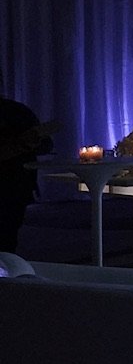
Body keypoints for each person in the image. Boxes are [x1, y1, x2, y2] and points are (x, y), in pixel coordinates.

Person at [0, 87, 54, 252]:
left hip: (14, 186)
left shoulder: (16, 112)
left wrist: (28, 143)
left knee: (7, 237)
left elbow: (46, 144)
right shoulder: (17, 111)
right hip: (17, 186)